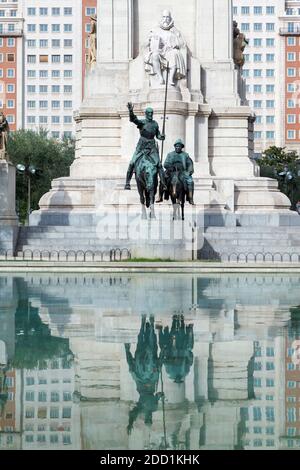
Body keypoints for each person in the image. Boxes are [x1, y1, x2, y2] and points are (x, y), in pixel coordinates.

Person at [124, 103, 166, 190]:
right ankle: (127, 182)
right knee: (132, 162)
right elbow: (133, 119)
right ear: (146, 114)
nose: (150, 115)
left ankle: (163, 183)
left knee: (159, 164)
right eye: (149, 113)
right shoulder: (142, 122)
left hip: (152, 147)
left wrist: (161, 137)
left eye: (152, 113)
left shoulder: (155, 124)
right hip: (141, 146)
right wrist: (131, 111)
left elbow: (157, 135)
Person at [144, 10, 186, 86]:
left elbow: (182, 43)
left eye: (167, 17)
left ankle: (171, 79)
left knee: (174, 54)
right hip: (160, 51)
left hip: (170, 51)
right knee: (155, 55)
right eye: (164, 17)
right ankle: (160, 77)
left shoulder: (174, 30)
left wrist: (175, 43)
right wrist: (151, 39)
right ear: (161, 18)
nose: (165, 19)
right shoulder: (155, 30)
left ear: (170, 19)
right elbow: (145, 44)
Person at [157, 139, 195, 204]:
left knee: (190, 181)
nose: (177, 147)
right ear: (174, 147)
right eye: (176, 146)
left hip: (182, 172)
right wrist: (170, 167)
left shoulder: (185, 155)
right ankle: (160, 196)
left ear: (181, 147)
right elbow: (165, 164)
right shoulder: (170, 154)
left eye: (179, 146)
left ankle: (190, 197)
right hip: (171, 171)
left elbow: (190, 164)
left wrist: (189, 172)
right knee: (162, 180)